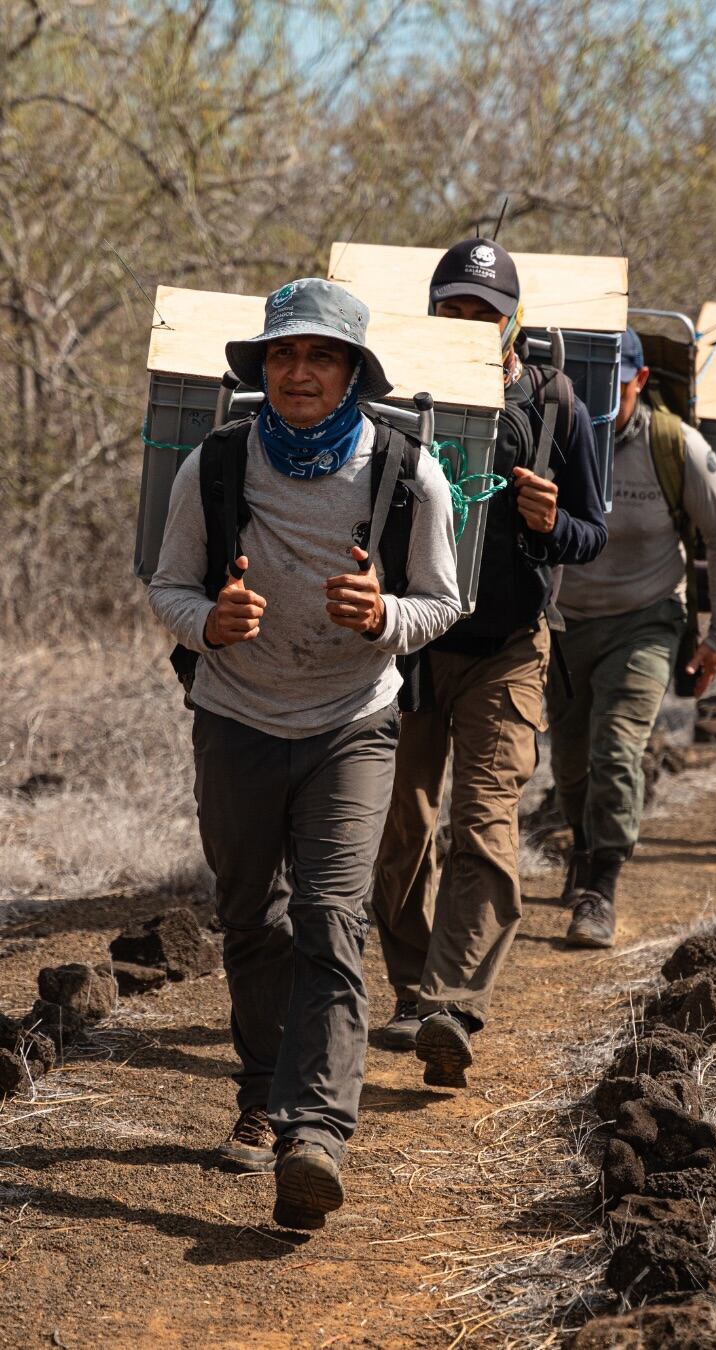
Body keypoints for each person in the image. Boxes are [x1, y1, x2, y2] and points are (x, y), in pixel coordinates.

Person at [148, 278, 460, 1230]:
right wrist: (212, 624)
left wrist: (385, 615)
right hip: (236, 716)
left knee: (332, 917)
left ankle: (315, 1134)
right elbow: (168, 587)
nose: (299, 371)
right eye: (283, 354)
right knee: (252, 917)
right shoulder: (214, 463)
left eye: (321, 356)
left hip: (352, 721)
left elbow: (443, 600)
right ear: (263, 368)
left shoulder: (409, 474)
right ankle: (258, 1088)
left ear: (354, 373)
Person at [371, 238, 607, 1086]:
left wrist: (551, 525)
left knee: (484, 820)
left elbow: (591, 531)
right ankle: (408, 991)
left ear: (512, 321)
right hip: (409, 644)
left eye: (484, 311)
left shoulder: (556, 404)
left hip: (509, 646)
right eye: (454, 308)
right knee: (399, 829)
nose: (468, 323)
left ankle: (452, 1004)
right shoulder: (392, 395)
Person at [547, 328, 716, 946]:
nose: (598, 396)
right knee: (570, 764)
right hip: (563, 623)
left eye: (614, 383)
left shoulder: (674, 446)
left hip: (646, 619)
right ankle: (584, 848)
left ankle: (601, 886)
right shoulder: (553, 431)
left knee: (616, 750)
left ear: (638, 380)